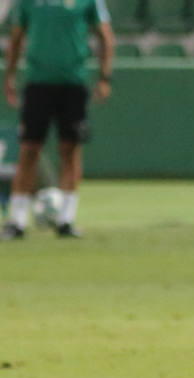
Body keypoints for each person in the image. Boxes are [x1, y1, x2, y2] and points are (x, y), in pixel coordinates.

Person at [2, 0, 114, 239]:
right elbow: (17, 37)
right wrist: (10, 75)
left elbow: (105, 35)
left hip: (73, 83)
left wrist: (105, 77)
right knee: (29, 149)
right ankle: (17, 221)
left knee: (70, 149)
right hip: (38, 83)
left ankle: (66, 219)